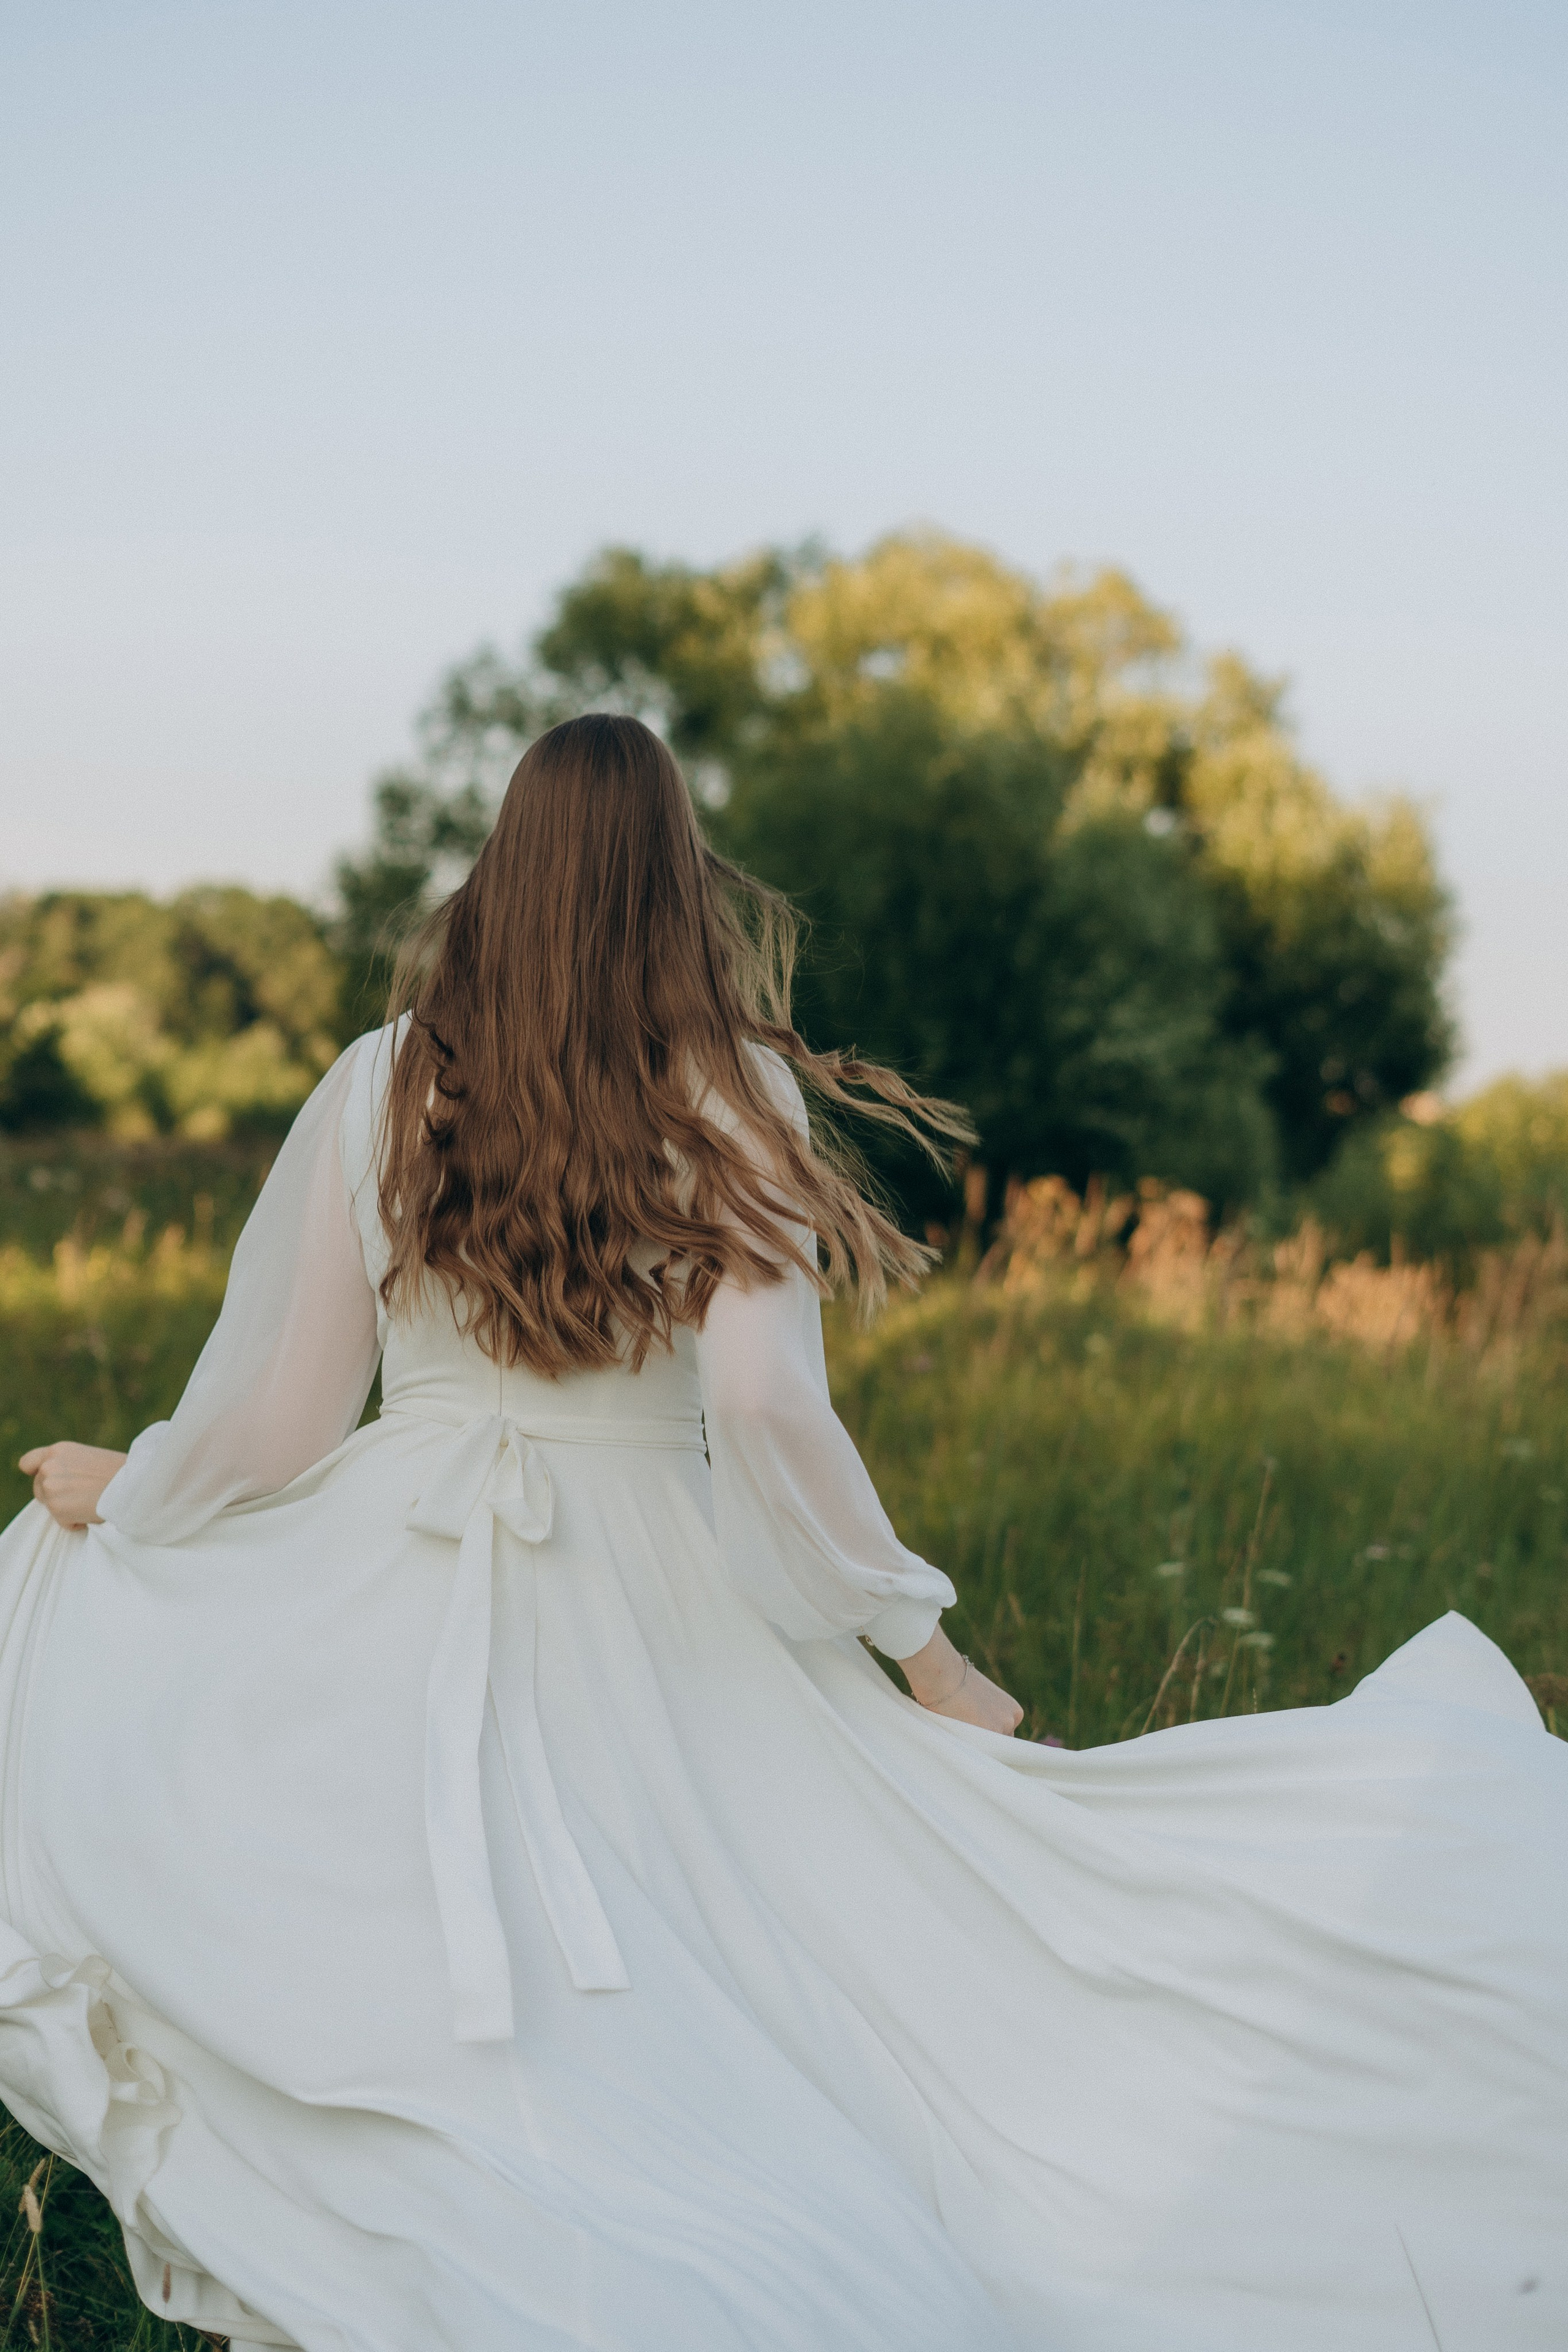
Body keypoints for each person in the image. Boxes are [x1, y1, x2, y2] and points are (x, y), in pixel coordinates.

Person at [1, 715, 1564, 2352]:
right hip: (654, 1570)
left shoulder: (380, 1081)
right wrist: (921, 1647)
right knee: (777, 1926)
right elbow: (760, 1409)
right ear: (677, 883)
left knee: (426, 1912)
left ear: (503, 873)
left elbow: (284, 1419)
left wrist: (142, 1488)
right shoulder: (723, 1085)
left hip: (405, 1556)